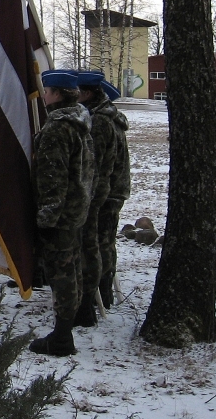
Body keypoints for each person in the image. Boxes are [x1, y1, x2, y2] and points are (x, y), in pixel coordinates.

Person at [29, 69, 94, 356]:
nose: (43, 96)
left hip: (61, 214)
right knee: (73, 266)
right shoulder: (79, 121)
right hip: (77, 208)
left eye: (47, 91)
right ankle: (78, 316)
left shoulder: (58, 128)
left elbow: (53, 179)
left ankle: (62, 336)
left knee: (62, 272)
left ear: (55, 93)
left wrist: (46, 218)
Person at [72, 70, 128, 326]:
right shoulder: (104, 115)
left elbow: (98, 166)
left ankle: (101, 293)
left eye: (77, 93)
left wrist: (91, 199)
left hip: (105, 193)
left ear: (86, 93)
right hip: (111, 190)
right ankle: (103, 292)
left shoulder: (101, 121)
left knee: (100, 242)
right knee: (104, 241)